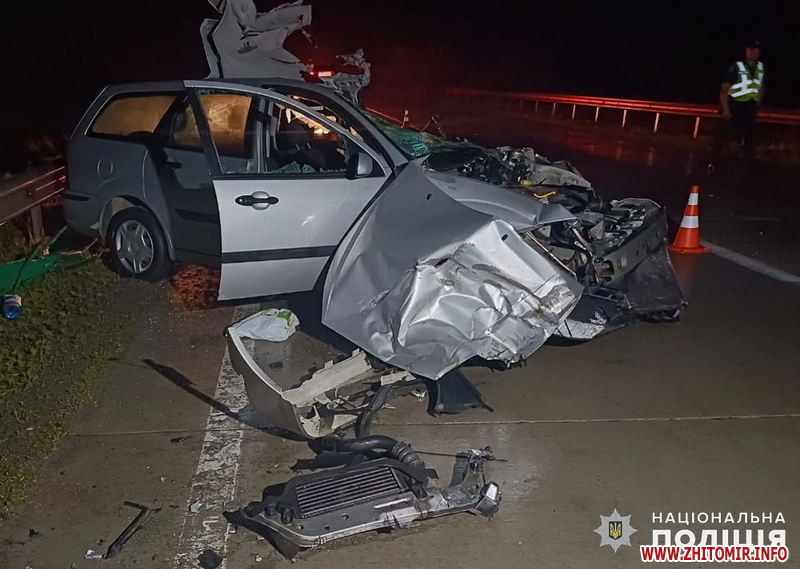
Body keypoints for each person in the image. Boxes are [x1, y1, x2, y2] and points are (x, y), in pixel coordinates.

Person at [709, 40, 765, 173]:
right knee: (723, 137)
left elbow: (760, 86)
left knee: (749, 139)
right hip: (734, 106)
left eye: (755, 50)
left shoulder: (760, 67)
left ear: (759, 52)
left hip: (749, 107)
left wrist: (758, 104)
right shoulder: (736, 67)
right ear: (746, 51)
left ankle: (748, 166)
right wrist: (726, 110)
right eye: (750, 49)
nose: (752, 52)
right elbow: (724, 89)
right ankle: (714, 163)